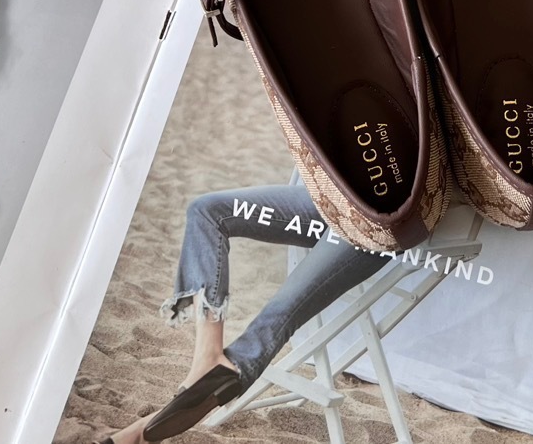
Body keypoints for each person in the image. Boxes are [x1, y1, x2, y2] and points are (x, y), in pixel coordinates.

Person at [93, 184, 390, 444]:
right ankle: (207, 358)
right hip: (336, 194)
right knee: (206, 211)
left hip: (379, 219)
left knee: (279, 312)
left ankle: (148, 426)